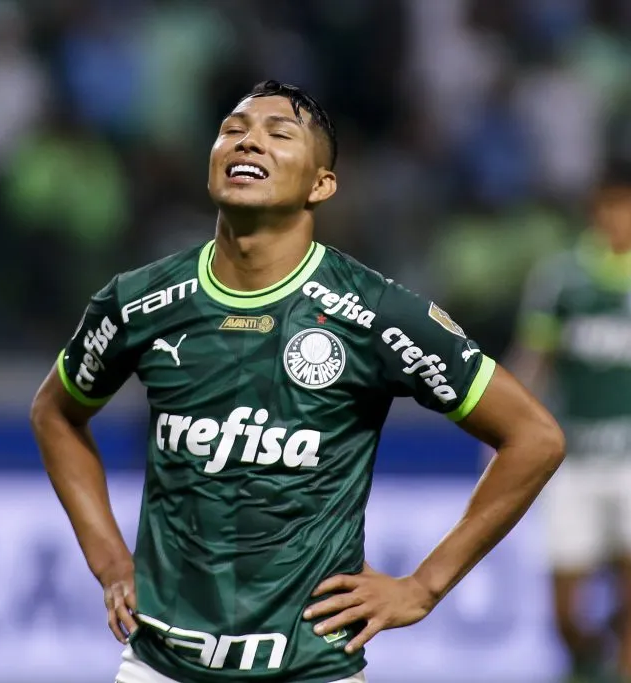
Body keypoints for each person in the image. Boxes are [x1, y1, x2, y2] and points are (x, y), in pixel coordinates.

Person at [30, 80, 565, 683]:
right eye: (233, 130)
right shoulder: (140, 300)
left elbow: (535, 437)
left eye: (278, 134)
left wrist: (423, 586)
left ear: (321, 184)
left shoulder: (376, 314)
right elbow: (55, 413)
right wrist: (108, 562)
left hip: (309, 669)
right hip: (159, 665)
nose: (249, 142)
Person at [504, 161, 631, 683]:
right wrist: (501, 426)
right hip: (573, 462)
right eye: (611, 207)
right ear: (595, 209)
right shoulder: (562, 280)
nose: (619, 219)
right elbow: (533, 358)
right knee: (563, 612)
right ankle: (587, 659)